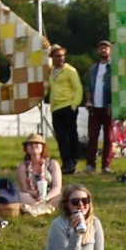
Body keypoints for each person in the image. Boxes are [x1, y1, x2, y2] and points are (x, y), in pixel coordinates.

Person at [46, 44, 83, 174]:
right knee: (61, 137)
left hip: (68, 106)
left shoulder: (70, 70)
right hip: (56, 107)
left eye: (62, 56)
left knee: (71, 135)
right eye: (57, 56)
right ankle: (66, 162)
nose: (61, 58)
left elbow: (78, 88)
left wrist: (74, 105)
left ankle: (73, 160)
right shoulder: (51, 71)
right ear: (52, 57)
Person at [8, 132, 61, 217]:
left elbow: (57, 187)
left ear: (43, 147)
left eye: (37, 143)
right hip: (32, 197)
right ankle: (44, 209)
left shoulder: (52, 163)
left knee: (65, 196)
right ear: (26, 148)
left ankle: (37, 209)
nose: (33, 146)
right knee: (20, 195)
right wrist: (33, 193)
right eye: (30, 144)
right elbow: (24, 188)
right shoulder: (23, 166)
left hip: (50, 197)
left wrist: (46, 198)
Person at [85, 40, 117, 173]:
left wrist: (113, 104)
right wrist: (88, 100)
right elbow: (88, 86)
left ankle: (106, 165)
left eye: (106, 48)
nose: (103, 50)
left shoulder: (114, 68)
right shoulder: (94, 68)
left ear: (110, 51)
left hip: (107, 106)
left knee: (108, 138)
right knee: (92, 137)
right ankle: (90, 164)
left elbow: (116, 88)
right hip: (94, 107)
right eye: (101, 48)